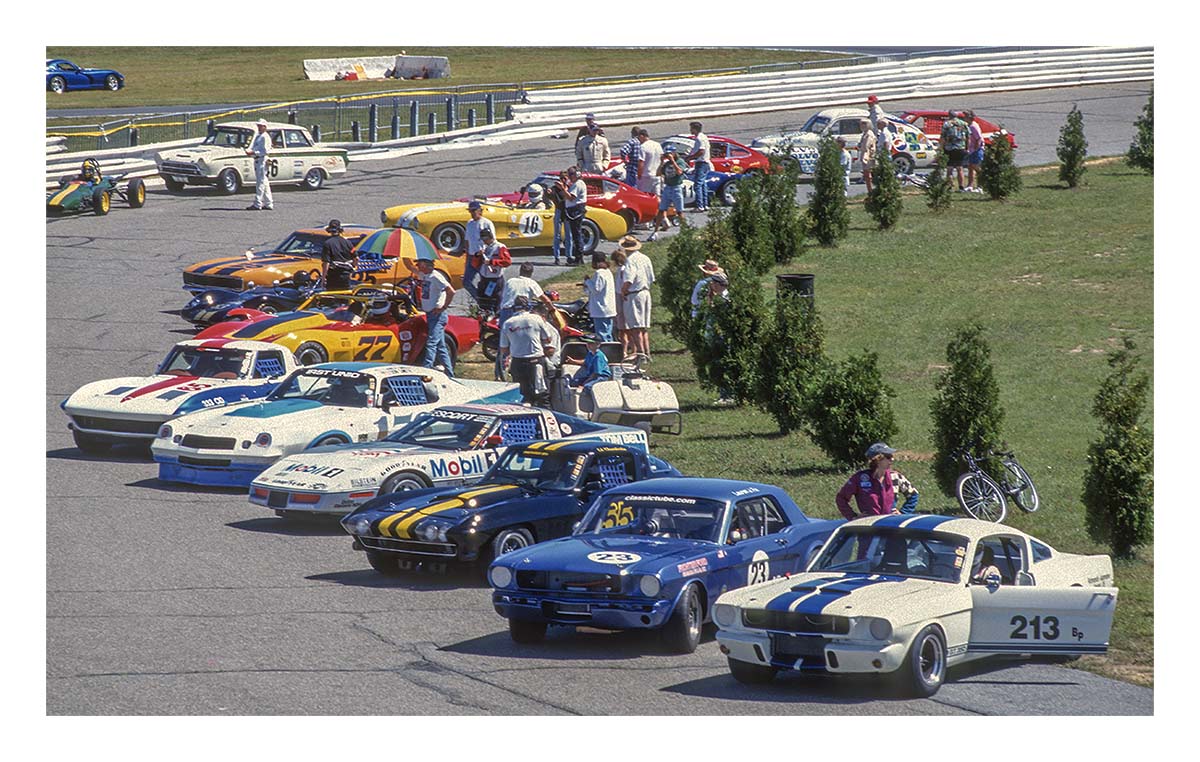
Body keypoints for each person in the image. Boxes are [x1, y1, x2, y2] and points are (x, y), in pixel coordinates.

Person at [496, 262, 554, 380]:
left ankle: (499, 373)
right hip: (518, 310)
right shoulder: (531, 283)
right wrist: (552, 309)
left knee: (503, 344)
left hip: (505, 311)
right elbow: (545, 299)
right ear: (531, 273)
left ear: (520, 271)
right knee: (525, 336)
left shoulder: (510, 281)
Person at [500, 296, 558, 407]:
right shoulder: (536, 319)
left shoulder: (508, 323)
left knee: (523, 397)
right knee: (542, 395)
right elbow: (548, 339)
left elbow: (504, 348)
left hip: (518, 363)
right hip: (536, 361)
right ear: (528, 307)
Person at [835, 442, 903, 519]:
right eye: (888, 457)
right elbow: (841, 498)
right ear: (878, 459)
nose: (892, 459)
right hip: (869, 525)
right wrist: (853, 517)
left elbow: (913, 494)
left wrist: (903, 513)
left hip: (889, 523)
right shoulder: (859, 478)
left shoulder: (894, 476)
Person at [415, 253, 455, 377]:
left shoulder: (436, 277)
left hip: (437, 316)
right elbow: (410, 267)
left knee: (431, 343)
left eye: (419, 264)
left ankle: (425, 371)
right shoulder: (425, 275)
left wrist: (443, 307)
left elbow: (451, 291)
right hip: (430, 315)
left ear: (426, 265)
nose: (417, 266)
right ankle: (450, 374)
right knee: (441, 346)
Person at [619, 236, 654, 362]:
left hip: (634, 293)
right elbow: (651, 278)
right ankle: (647, 353)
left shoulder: (630, 261)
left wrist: (623, 291)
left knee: (634, 326)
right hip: (645, 292)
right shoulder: (645, 258)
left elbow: (629, 279)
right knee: (643, 326)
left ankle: (640, 354)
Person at [650, 145, 688, 241]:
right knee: (661, 210)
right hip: (668, 188)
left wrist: (673, 161)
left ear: (674, 153)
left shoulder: (680, 162)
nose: (668, 155)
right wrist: (662, 162)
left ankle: (686, 231)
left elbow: (679, 172)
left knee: (679, 211)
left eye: (670, 153)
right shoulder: (666, 164)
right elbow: (658, 174)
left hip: (676, 188)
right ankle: (655, 232)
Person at [569, 333, 613, 412]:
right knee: (574, 382)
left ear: (598, 344)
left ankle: (593, 408)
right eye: (587, 343)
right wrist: (573, 361)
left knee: (588, 387)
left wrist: (583, 384)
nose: (588, 345)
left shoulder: (598, 356)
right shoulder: (590, 353)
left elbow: (596, 374)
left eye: (591, 343)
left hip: (601, 377)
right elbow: (585, 362)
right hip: (591, 376)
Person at [462, 200, 496, 299]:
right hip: (472, 256)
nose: (472, 213)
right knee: (466, 282)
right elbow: (467, 240)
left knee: (485, 281)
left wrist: (486, 252)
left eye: (474, 211)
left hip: (483, 257)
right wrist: (467, 255)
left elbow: (492, 240)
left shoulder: (486, 223)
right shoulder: (470, 224)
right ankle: (479, 298)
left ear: (480, 211)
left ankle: (488, 301)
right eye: (470, 211)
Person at [583, 252, 617, 342]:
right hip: (609, 308)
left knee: (602, 334)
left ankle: (606, 351)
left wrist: (587, 281)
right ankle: (611, 351)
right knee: (608, 333)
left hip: (601, 309)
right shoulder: (608, 272)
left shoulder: (599, 273)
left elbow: (596, 289)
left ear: (596, 262)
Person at [475, 228, 511, 311]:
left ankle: (496, 316)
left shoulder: (500, 247)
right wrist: (477, 255)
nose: (483, 242)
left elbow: (507, 262)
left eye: (484, 239)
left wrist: (492, 262)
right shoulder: (484, 248)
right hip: (484, 278)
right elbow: (475, 263)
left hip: (495, 279)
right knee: (483, 301)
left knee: (495, 301)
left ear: (488, 238)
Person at [244, 118, 273, 211]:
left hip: (261, 159)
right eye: (258, 126)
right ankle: (268, 202)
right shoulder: (258, 136)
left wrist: (253, 152)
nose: (259, 127)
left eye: (261, 126)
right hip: (258, 159)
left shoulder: (265, 137)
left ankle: (258, 203)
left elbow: (264, 150)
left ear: (265, 127)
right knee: (264, 182)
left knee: (260, 182)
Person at [560, 166, 588, 264]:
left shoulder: (578, 184)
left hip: (576, 211)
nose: (569, 176)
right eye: (568, 174)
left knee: (577, 235)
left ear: (577, 174)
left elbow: (571, 197)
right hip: (573, 210)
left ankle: (579, 258)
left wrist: (563, 189)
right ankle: (577, 257)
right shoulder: (574, 184)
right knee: (575, 234)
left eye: (571, 174)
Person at [320, 219, 357, 290]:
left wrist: (323, 278)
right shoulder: (348, 243)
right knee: (344, 297)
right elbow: (356, 258)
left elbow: (326, 263)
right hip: (346, 275)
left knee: (332, 297)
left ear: (329, 230)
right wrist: (353, 268)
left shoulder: (327, 244)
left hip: (333, 276)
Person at [545, 171, 572, 266]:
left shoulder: (570, 187)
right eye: (562, 178)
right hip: (559, 211)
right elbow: (549, 195)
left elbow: (570, 197)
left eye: (565, 178)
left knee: (569, 235)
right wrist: (548, 193)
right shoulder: (555, 188)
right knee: (557, 235)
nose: (563, 180)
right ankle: (557, 257)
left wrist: (564, 189)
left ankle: (569, 256)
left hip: (567, 211)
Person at [940, 111, 970, 191]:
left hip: (949, 148)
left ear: (949, 116)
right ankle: (961, 187)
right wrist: (967, 148)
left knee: (949, 168)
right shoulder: (964, 124)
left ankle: (950, 187)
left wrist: (941, 148)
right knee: (960, 168)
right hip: (960, 148)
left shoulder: (946, 124)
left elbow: (943, 137)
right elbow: (968, 137)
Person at [685, 121, 711, 212]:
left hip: (701, 163)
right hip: (705, 162)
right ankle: (705, 204)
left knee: (698, 185)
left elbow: (701, 151)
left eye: (691, 128)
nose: (690, 130)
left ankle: (699, 206)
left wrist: (690, 157)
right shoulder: (704, 137)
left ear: (695, 129)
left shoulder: (699, 139)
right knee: (703, 184)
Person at [611, 248, 630, 356]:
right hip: (622, 296)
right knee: (625, 327)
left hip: (621, 297)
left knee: (622, 327)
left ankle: (624, 350)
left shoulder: (622, 271)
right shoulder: (624, 269)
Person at [636, 129, 662, 197]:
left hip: (646, 175)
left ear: (641, 136)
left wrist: (639, 175)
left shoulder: (643, 147)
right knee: (657, 195)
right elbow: (662, 159)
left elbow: (641, 162)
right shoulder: (657, 145)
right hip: (656, 174)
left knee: (644, 195)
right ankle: (658, 207)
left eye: (639, 138)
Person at [965, 110, 985, 193]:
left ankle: (980, 186)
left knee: (976, 167)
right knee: (970, 167)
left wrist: (976, 149)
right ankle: (970, 185)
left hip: (976, 150)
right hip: (971, 150)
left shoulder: (973, 126)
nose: (964, 118)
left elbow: (978, 139)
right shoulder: (968, 126)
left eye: (965, 116)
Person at [858, 119, 877, 193]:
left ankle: (871, 190)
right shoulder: (865, 133)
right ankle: (870, 190)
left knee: (868, 174)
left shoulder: (869, 134)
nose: (861, 126)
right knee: (866, 174)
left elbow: (866, 146)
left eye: (864, 124)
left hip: (868, 156)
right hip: (865, 154)